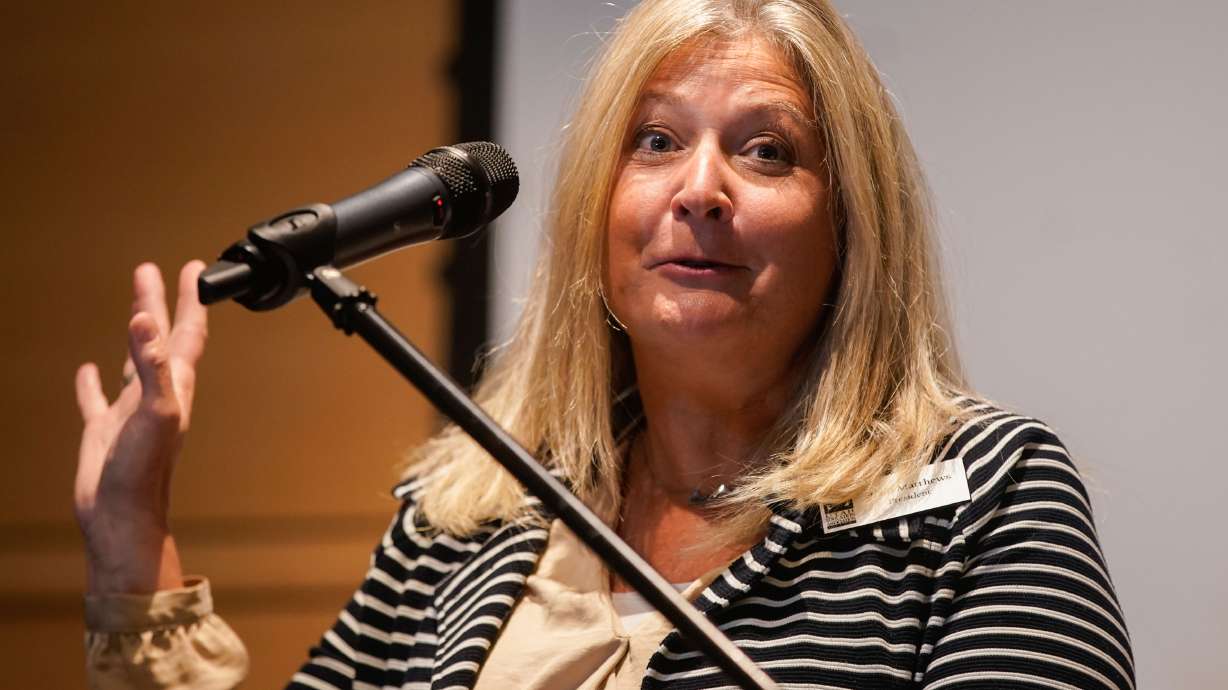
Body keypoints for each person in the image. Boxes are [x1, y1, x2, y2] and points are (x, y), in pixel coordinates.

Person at [74, 1, 1135, 688]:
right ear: (597, 204)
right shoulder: (465, 515)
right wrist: (133, 541)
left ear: (850, 224)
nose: (699, 190)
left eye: (766, 152)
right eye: (657, 141)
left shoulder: (981, 490)